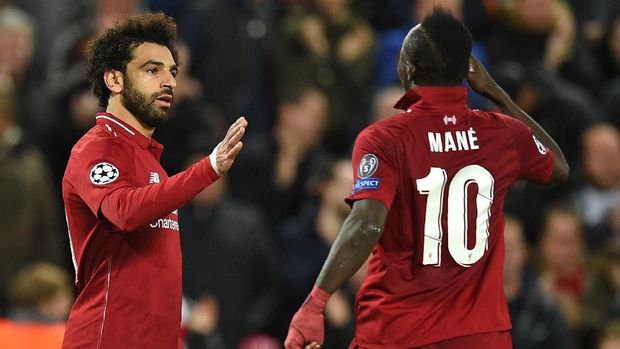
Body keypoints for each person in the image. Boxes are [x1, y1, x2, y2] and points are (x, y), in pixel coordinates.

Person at [285, 9, 569, 349]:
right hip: (481, 336)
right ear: (468, 71)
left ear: (408, 69)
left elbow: (366, 224)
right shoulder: (501, 133)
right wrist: (498, 94)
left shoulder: (385, 138)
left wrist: (314, 304)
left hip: (398, 332)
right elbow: (559, 168)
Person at [61, 13, 247, 349]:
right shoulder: (96, 148)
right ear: (114, 80)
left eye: (172, 72)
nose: (170, 82)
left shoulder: (152, 163)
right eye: (152, 70)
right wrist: (209, 168)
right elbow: (123, 212)